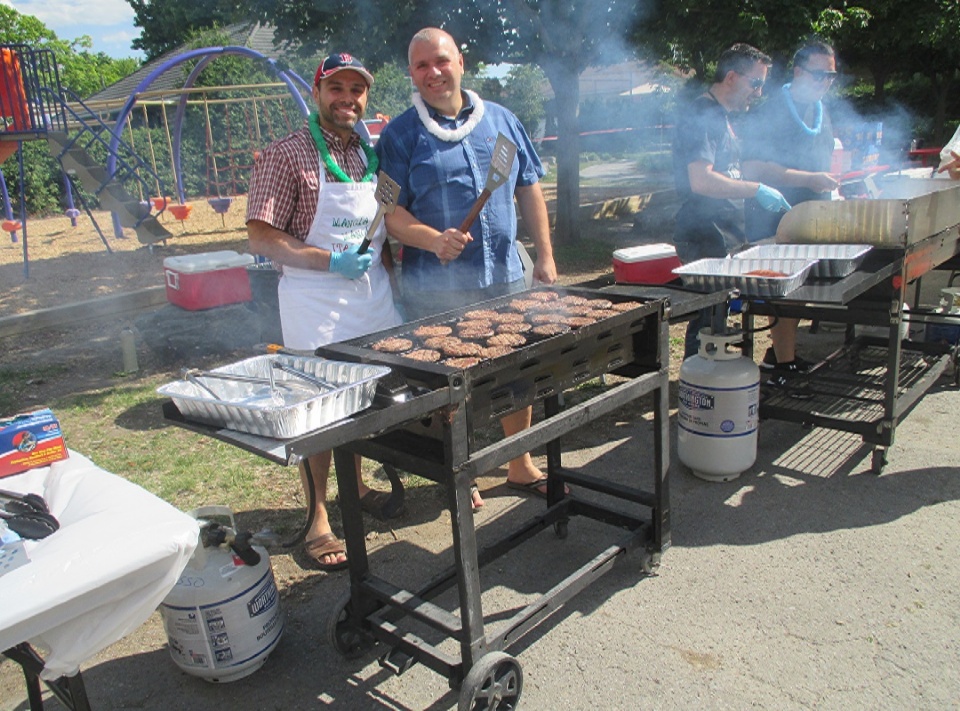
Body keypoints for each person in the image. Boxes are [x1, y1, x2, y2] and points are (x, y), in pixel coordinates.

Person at [377, 27, 559, 509]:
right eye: (421, 66)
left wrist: (545, 253)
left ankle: (518, 462)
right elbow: (388, 212)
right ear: (412, 75)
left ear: (461, 61)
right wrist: (432, 239)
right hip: (435, 286)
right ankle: (461, 474)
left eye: (441, 61)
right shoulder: (399, 135)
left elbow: (528, 187)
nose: (433, 73)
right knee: (446, 384)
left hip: (503, 273)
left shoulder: (501, 120)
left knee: (514, 371)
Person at [246, 52, 403, 571]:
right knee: (319, 413)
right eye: (336, 87)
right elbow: (262, 236)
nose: (347, 98)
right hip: (314, 304)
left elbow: (385, 223)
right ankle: (316, 516)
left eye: (356, 90)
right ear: (317, 93)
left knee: (361, 403)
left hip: (371, 300)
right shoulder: (285, 154)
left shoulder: (370, 155)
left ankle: (355, 487)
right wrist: (330, 260)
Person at [671, 43, 791, 361]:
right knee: (707, 319)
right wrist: (756, 190)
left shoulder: (724, 116)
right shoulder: (703, 113)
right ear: (733, 78)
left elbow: (732, 171)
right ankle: (699, 389)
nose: (759, 91)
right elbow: (700, 180)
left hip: (724, 230)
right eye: (756, 83)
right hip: (702, 232)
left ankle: (709, 383)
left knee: (718, 317)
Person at [742, 39, 841, 385]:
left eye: (831, 76)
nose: (825, 82)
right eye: (819, 75)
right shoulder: (772, 111)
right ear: (799, 71)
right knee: (784, 292)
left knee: (802, 293)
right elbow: (752, 166)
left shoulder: (821, 110)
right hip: (775, 218)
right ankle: (781, 364)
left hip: (810, 216)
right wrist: (809, 178)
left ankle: (778, 356)